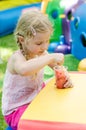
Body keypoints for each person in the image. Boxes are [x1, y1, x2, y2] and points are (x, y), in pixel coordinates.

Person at [2, 10, 72, 130]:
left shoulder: (41, 52)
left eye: (47, 41)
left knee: (59, 100)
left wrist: (65, 78)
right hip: (17, 110)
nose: (45, 47)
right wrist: (50, 57)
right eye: (39, 43)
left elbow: (57, 67)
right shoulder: (17, 58)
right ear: (22, 40)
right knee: (47, 122)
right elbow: (24, 70)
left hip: (36, 98)